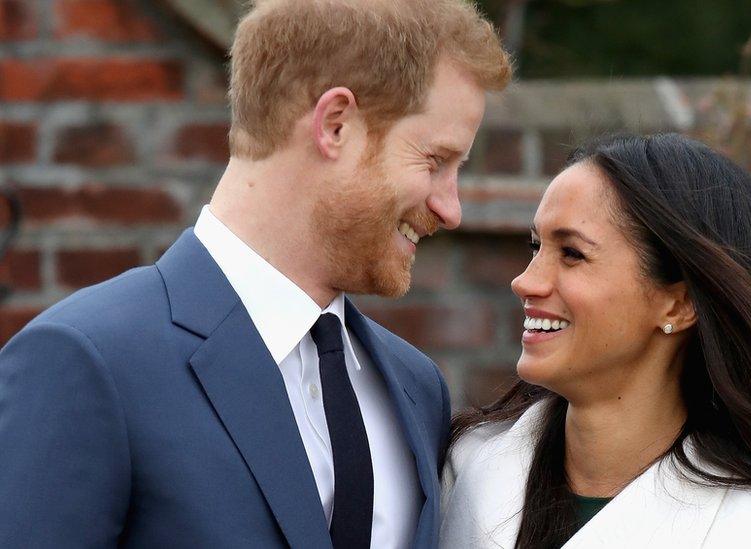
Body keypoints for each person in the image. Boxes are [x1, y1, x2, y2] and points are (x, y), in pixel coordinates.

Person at [0, 1, 510, 547]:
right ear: (335, 124)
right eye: (434, 161)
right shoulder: (87, 360)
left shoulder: (415, 386)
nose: (451, 208)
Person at [441, 134, 751, 548]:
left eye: (572, 253)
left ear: (678, 305)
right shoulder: (465, 471)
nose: (525, 281)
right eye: (535, 246)